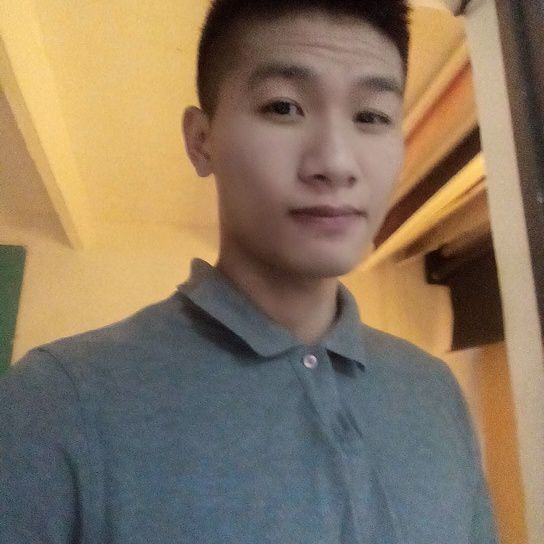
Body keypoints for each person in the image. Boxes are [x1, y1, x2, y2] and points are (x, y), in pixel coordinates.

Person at [0, 1, 498, 542]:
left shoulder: (434, 393)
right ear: (201, 140)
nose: (336, 163)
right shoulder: (58, 402)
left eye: (371, 117)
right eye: (284, 107)